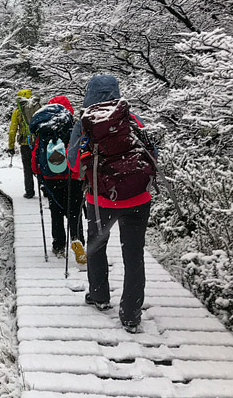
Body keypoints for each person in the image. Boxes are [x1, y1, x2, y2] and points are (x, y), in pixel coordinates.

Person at [67, 74, 156, 334]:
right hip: (138, 198)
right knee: (134, 254)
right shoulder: (130, 117)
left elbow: (72, 163)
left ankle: (99, 295)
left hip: (101, 199)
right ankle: (130, 313)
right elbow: (153, 154)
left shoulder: (84, 123)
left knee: (96, 246)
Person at [29, 96, 86, 263]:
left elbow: (35, 155)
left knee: (56, 211)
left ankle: (59, 245)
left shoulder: (44, 129)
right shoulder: (75, 127)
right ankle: (77, 241)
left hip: (50, 177)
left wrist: (38, 174)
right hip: (73, 176)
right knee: (74, 211)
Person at [7, 89, 40, 198]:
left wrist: (11, 147)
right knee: (40, 165)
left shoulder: (17, 111)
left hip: (25, 144)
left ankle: (29, 192)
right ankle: (45, 189)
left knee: (28, 168)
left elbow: (12, 130)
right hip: (38, 143)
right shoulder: (37, 108)